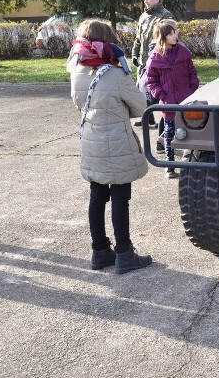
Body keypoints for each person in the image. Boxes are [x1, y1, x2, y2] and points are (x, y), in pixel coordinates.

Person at [67, 19, 152, 274]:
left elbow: (77, 102)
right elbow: (141, 106)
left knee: (97, 195)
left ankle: (100, 251)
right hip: (117, 141)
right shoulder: (115, 73)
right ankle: (125, 254)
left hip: (91, 140)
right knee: (119, 197)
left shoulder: (77, 71)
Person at [146, 19, 200, 179]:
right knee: (169, 133)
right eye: (170, 34)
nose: (175, 35)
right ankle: (169, 164)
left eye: (174, 32)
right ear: (163, 37)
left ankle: (192, 164)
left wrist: (192, 88)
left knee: (191, 132)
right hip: (168, 103)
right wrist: (162, 95)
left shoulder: (183, 54)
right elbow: (152, 81)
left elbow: (192, 72)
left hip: (187, 101)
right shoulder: (155, 59)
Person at [131, 0, 174, 128]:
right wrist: (134, 54)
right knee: (143, 90)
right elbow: (138, 38)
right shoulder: (143, 16)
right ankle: (148, 118)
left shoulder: (165, 15)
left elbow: (169, 38)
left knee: (159, 91)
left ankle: (166, 121)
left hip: (157, 61)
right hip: (143, 61)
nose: (146, 2)